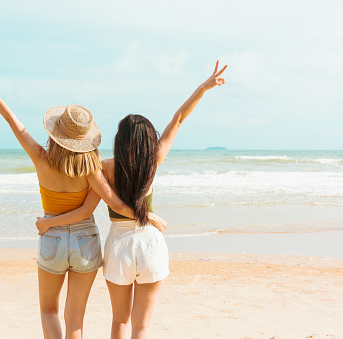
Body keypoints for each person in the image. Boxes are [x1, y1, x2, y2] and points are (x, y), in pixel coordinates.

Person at [0, 65, 166, 339]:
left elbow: (14, 123)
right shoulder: (92, 168)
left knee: (48, 311)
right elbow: (91, 209)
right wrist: (145, 215)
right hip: (86, 241)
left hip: (53, 240)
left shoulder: (41, 160)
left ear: (55, 132)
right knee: (75, 319)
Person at [36, 60, 227, 338]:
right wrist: (203, 88)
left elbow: (103, 204)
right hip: (150, 244)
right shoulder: (154, 160)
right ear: (149, 139)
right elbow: (179, 118)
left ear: (118, 139)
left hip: (119, 246)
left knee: (120, 322)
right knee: (142, 325)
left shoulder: (103, 167)